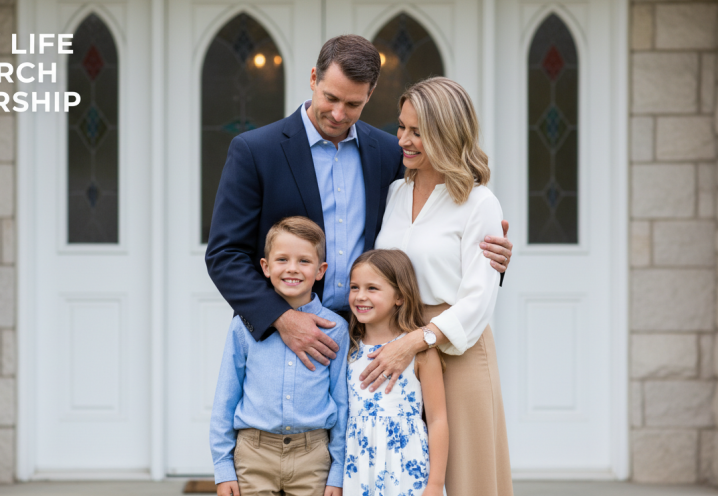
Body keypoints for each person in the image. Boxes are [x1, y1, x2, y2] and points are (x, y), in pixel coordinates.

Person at [205, 35, 514, 374]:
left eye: (352, 104)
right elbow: (225, 254)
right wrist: (284, 319)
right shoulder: (255, 151)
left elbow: (429, 228)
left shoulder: (391, 153)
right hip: (284, 339)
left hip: (372, 340)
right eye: (330, 98)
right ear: (313, 79)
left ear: (370, 93)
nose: (338, 114)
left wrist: (486, 259)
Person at [359, 78, 513, 495]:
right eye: (401, 127)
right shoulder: (394, 192)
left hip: (455, 350)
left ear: (446, 134)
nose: (403, 140)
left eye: (417, 132)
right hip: (396, 350)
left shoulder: (480, 203)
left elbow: (480, 299)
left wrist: (415, 341)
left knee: (470, 482)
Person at [209, 217, 350, 496]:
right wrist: (223, 467)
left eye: (304, 261)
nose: (292, 269)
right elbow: (226, 396)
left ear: (321, 270)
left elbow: (342, 403)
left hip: (313, 458)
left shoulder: (336, 330)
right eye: (282, 259)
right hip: (254, 455)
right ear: (265, 266)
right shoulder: (244, 325)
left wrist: (337, 471)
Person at [343, 249, 447, 496]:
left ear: (399, 296)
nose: (360, 296)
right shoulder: (349, 349)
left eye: (372, 288)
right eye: (354, 287)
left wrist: (434, 484)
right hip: (359, 466)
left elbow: (437, 419)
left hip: (406, 465)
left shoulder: (420, 353)